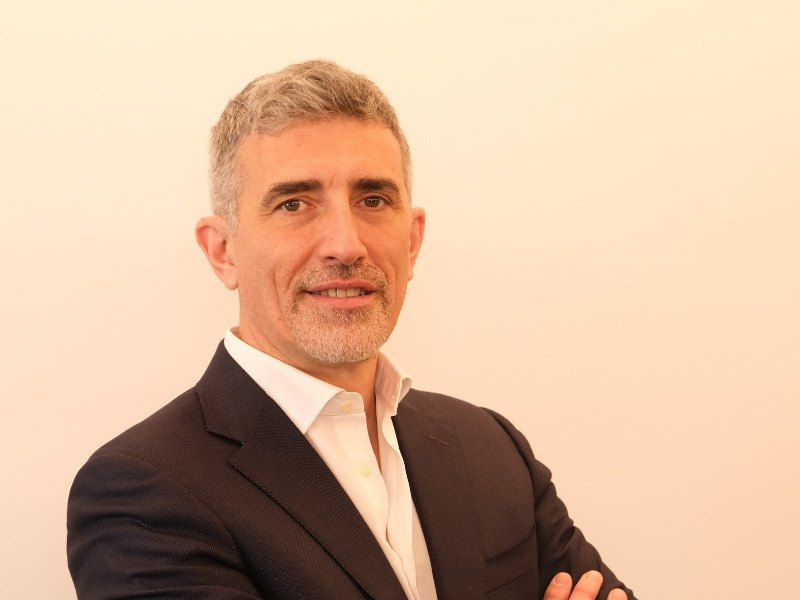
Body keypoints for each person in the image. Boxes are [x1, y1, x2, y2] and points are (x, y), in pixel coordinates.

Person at [67, 60, 637, 600]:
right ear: (223, 251)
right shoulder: (144, 493)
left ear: (412, 241)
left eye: (373, 199)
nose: (346, 245)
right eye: (294, 204)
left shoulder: (490, 446)